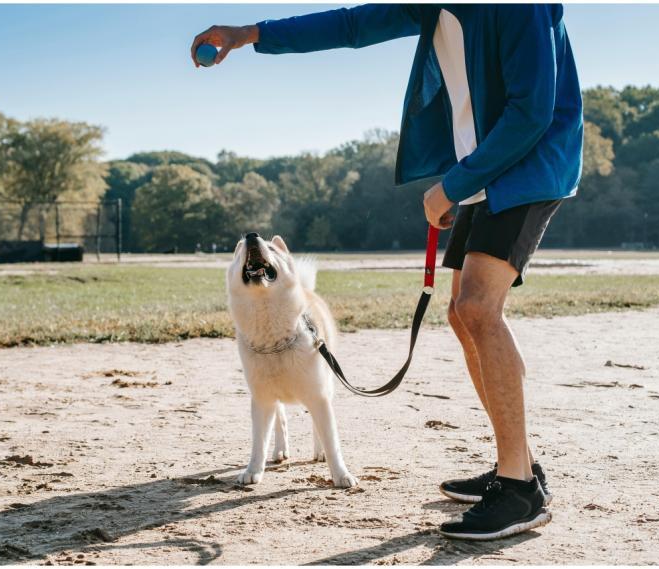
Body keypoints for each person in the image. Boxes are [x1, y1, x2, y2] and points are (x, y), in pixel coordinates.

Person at [191, 4, 583, 541]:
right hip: (487, 169)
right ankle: (517, 465)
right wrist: (249, 34)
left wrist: (456, 181)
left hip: (530, 165)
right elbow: (352, 26)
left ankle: (519, 491)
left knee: (477, 308)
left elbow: (532, 111)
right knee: (461, 315)